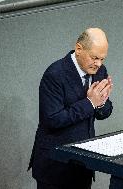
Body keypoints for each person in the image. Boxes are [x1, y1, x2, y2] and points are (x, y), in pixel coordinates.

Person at [28, 28, 113, 189]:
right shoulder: (55, 74)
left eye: (102, 59)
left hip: (83, 163)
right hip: (55, 166)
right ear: (79, 49)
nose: (99, 64)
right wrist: (90, 103)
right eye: (95, 57)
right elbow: (53, 119)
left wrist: (101, 103)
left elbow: (104, 111)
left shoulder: (100, 71)